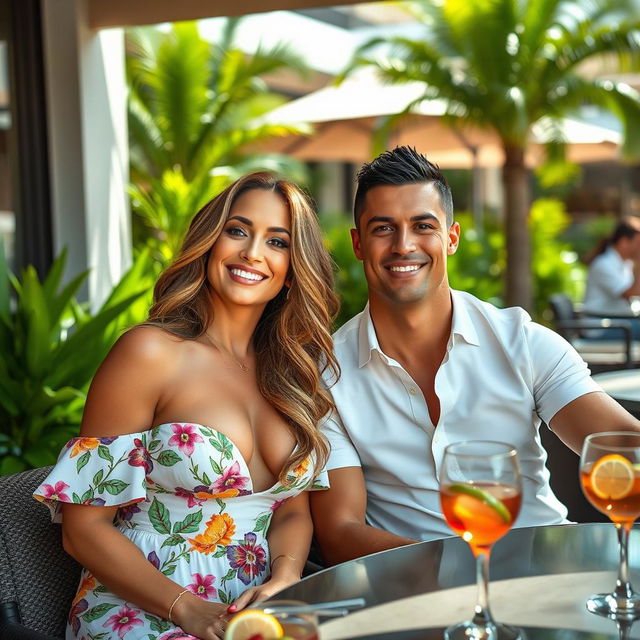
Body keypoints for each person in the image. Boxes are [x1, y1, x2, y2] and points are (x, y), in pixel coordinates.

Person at [33, 172, 339, 640]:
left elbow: (291, 510)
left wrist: (284, 578)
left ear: (294, 266)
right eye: (237, 230)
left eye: (276, 241)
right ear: (209, 241)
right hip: (143, 609)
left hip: (253, 617)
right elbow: (83, 528)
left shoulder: (291, 371)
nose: (252, 252)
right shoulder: (149, 353)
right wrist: (187, 609)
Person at [310, 146, 640, 566]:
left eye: (423, 225)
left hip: (545, 577)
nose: (404, 244)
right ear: (358, 244)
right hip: (414, 597)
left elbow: (624, 446)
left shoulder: (522, 342)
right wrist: (463, 573)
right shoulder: (326, 375)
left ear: (451, 238)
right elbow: (341, 532)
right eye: (383, 228)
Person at [583, 217, 640, 337]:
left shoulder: (625, 264)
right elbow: (630, 294)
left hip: (619, 323)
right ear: (624, 242)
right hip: (601, 330)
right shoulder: (604, 264)